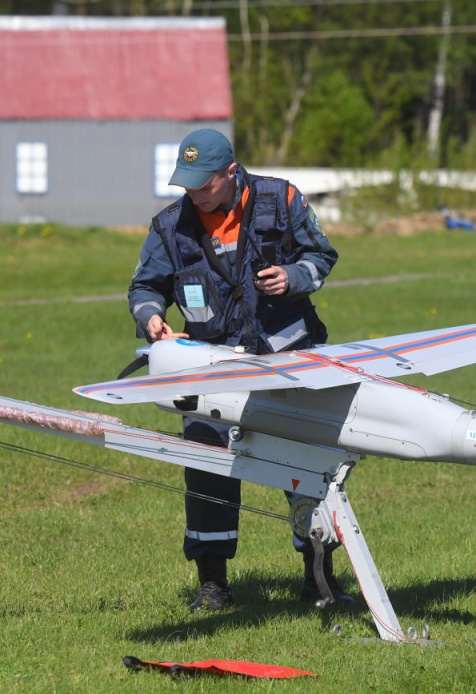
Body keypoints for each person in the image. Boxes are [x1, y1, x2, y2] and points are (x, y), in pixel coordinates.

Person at [128, 128, 345, 612]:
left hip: (288, 363)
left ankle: (320, 581)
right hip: (211, 369)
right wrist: (151, 317)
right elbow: (144, 287)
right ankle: (213, 587)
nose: (195, 194)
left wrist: (292, 276)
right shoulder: (169, 226)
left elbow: (321, 256)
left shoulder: (281, 199)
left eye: (204, 184)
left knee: (307, 469)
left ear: (231, 172)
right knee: (208, 471)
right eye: (186, 184)